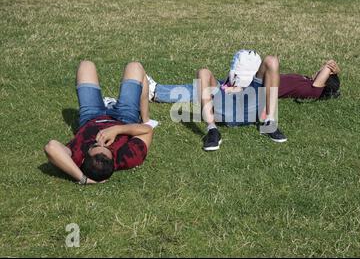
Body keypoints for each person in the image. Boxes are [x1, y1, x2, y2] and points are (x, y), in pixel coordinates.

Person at [44, 61, 154, 184]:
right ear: (113, 160)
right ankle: (145, 116)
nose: (102, 139)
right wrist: (117, 130)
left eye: (95, 145)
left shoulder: (77, 157)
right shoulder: (127, 157)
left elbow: (51, 147)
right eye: (106, 145)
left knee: (85, 66)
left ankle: (107, 104)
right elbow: (147, 130)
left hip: (90, 116)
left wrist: (82, 178)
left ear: (84, 158)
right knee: (135, 67)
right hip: (124, 117)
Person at [195, 53, 288, 151]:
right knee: (203, 72)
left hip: (251, 102)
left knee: (272, 60)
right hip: (227, 106)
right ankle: (212, 130)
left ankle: (269, 122)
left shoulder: (259, 83)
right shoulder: (224, 86)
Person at [147, 59, 341, 104]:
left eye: (325, 73)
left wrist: (332, 70)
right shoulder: (306, 81)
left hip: (254, 90)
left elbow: (326, 69)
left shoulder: (313, 90)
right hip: (252, 83)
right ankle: (158, 90)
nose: (321, 69)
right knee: (204, 89)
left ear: (325, 82)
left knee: (207, 92)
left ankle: (156, 92)